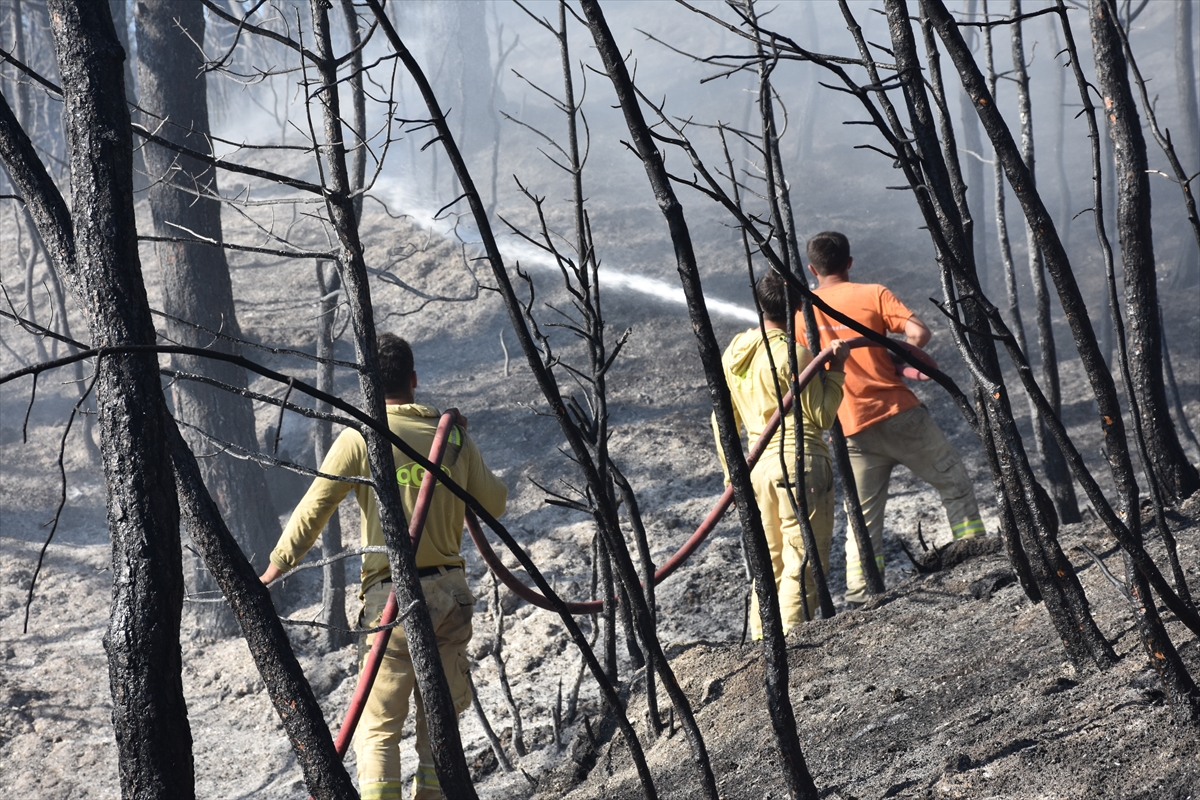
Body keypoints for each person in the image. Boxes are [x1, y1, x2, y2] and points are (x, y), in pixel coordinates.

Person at [259, 334, 507, 800]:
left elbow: (313, 509)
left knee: (378, 731)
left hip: (387, 607)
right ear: (414, 380)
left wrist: (275, 568)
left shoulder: (359, 438)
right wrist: (460, 453)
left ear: (367, 385)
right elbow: (495, 503)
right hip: (449, 599)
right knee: (440, 727)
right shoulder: (449, 435)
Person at [800, 231, 985, 607]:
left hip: (851, 428)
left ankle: (861, 594)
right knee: (954, 483)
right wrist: (902, 358)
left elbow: (802, 365)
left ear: (812, 269)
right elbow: (920, 332)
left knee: (863, 520)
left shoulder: (803, 310)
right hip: (901, 416)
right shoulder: (873, 294)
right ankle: (974, 557)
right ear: (849, 263)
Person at [713, 269, 850, 636]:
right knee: (802, 562)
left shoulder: (733, 355)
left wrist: (732, 474)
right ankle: (791, 646)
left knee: (770, 566)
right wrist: (836, 370)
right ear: (795, 308)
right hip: (800, 463)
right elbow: (820, 416)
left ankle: (764, 646)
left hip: (757, 472)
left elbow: (722, 420)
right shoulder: (794, 352)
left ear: (758, 304)